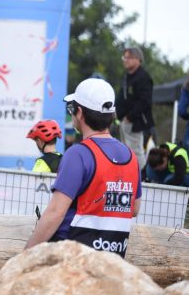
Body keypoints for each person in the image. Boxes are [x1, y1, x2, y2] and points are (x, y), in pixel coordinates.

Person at [25, 78, 142, 258]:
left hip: (71, 256)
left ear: (79, 113)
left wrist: (23, 257)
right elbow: (134, 209)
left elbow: (55, 213)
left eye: (71, 109)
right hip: (113, 257)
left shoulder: (78, 154)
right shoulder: (131, 157)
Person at [115, 47, 155, 172]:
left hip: (136, 124)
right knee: (125, 153)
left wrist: (129, 117)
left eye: (128, 57)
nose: (125, 60)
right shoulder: (128, 76)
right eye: (124, 57)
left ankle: (142, 179)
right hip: (125, 122)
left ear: (137, 59)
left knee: (136, 153)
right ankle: (128, 177)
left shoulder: (143, 77)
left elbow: (145, 101)